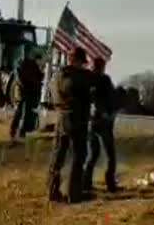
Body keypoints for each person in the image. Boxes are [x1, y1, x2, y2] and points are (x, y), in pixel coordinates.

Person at [46, 47, 93, 203]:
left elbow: (53, 95)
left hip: (62, 117)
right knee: (79, 156)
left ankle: (52, 191)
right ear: (77, 61)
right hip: (77, 119)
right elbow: (86, 94)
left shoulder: (57, 75)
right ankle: (74, 193)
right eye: (82, 62)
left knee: (58, 155)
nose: (83, 65)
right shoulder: (79, 77)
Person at [83, 57, 121, 193]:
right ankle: (105, 183)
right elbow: (93, 99)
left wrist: (112, 111)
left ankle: (90, 183)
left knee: (96, 154)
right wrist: (105, 112)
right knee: (103, 154)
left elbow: (111, 97)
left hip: (99, 121)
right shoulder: (93, 79)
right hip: (97, 121)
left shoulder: (103, 79)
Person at [9, 49, 44, 146]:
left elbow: (39, 76)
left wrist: (40, 75)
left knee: (28, 113)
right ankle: (14, 132)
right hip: (23, 91)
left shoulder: (32, 64)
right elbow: (20, 78)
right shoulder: (21, 63)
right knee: (20, 112)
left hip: (31, 92)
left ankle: (22, 133)